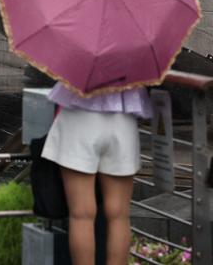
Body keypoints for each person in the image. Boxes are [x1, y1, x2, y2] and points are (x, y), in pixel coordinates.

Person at [42, 82, 151, 265]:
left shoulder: (77, 51)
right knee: (119, 215)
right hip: (122, 119)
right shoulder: (134, 53)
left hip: (79, 117)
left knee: (81, 215)